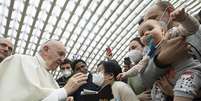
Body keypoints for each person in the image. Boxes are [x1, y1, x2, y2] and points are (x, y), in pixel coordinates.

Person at [138, 6, 201, 101]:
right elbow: (144, 80)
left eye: (153, 18)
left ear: (170, 11)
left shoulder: (178, 32)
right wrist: (161, 60)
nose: (147, 32)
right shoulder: (151, 49)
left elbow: (193, 27)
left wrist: (184, 18)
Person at [0, 40, 87, 101]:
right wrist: (65, 90)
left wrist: (63, 98)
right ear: (46, 49)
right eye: (60, 54)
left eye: (64, 56)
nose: (62, 59)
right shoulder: (20, 60)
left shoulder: (53, 81)